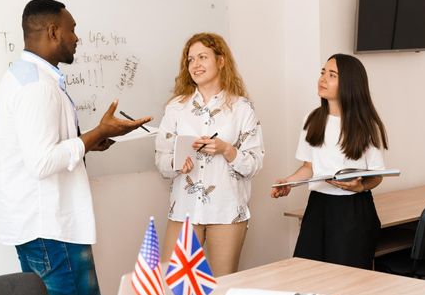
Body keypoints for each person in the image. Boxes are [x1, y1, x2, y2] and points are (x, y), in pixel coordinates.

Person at [0, 0, 152, 295]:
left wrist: (92, 140)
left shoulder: (24, 75)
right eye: (72, 29)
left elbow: (44, 147)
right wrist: (98, 132)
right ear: (53, 31)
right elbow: (41, 162)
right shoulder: (36, 86)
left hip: (40, 228)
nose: (77, 38)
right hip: (51, 230)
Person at [155, 32, 264, 276]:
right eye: (190, 60)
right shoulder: (176, 108)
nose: (196, 65)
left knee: (219, 286)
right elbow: (160, 159)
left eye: (203, 57)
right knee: (172, 286)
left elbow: (255, 164)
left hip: (227, 211)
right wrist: (175, 163)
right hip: (184, 209)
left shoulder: (242, 108)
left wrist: (227, 150)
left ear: (221, 61)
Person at [271, 53, 388, 270]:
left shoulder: (366, 125)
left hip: (352, 209)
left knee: (347, 279)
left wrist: (360, 186)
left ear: (349, 84)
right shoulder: (312, 119)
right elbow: (309, 167)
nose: (323, 79)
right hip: (318, 205)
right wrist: (288, 182)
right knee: (307, 273)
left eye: (332, 75)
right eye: (322, 72)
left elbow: (377, 175)